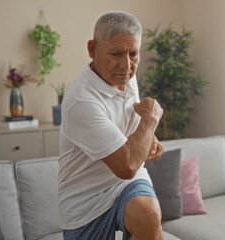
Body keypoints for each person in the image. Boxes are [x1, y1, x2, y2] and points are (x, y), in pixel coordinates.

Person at [58, 11, 165, 240]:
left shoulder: (125, 74)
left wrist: (148, 137)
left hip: (127, 182)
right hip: (86, 202)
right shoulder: (82, 100)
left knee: (149, 213)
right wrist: (150, 120)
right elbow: (125, 166)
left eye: (134, 54)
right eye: (116, 53)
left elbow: (128, 121)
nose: (127, 65)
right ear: (92, 49)